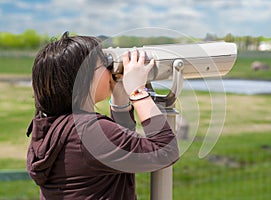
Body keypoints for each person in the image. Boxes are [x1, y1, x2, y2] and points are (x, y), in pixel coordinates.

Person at [26, 31, 179, 200]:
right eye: (105, 63)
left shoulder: (55, 128)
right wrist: (138, 92)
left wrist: (120, 99)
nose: (111, 68)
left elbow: (119, 150)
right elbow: (165, 151)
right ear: (84, 77)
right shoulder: (88, 132)